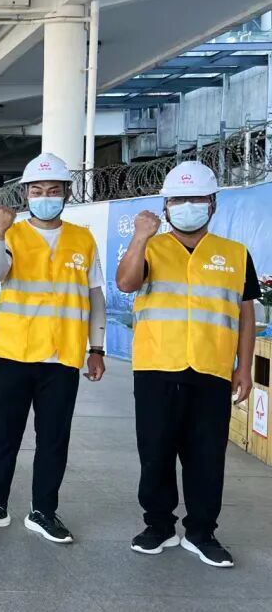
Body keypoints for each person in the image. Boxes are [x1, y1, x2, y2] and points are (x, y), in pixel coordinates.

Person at [116, 161, 256, 568]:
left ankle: (201, 532)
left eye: (196, 199)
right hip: (158, 367)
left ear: (212, 204)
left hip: (212, 368)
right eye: (178, 199)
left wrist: (244, 368)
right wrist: (140, 237)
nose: (187, 206)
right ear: (165, 206)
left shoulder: (235, 254)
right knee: (155, 451)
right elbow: (126, 283)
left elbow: (245, 314)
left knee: (207, 456)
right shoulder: (150, 247)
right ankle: (158, 525)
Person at [0, 153, 106, 544]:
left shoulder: (82, 239)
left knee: (53, 440)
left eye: (53, 190)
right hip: (12, 355)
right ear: (26, 194)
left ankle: (44, 510)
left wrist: (96, 348)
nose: (46, 197)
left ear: (67, 193)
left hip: (62, 357)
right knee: (4, 438)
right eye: (37, 190)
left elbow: (95, 296)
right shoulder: (11, 234)